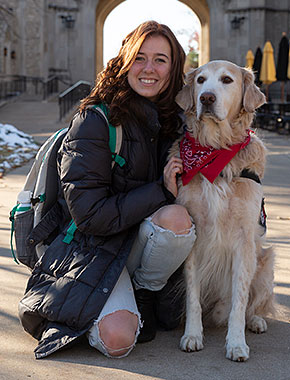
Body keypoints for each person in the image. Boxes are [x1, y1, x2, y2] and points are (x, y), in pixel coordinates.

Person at [18, 21, 196, 359]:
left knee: (177, 219)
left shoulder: (177, 123)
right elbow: (89, 216)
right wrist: (161, 190)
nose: (149, 69)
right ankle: (108, 304)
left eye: (161, 60)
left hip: (140, 243)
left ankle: (146, 290)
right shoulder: (95, 120)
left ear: (173, 69)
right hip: (91, 246)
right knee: (117, 340)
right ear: (124, 61)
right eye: (139, 58)